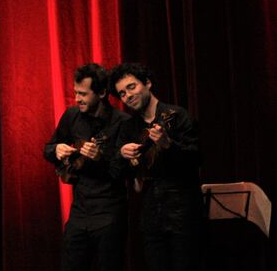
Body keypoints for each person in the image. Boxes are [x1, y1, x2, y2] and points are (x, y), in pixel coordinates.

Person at [109, 62, 202, 271]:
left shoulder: (177, 115)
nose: (128, 95)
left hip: (183, 215)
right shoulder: (128, 127)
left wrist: (168, 145)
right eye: (122, 93)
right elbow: (115, 173)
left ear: (148, 83)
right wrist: (121, 155)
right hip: (151, 217)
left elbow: (196, 158)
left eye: (131, 87)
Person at [43, 63, 130, 271]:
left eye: (83, 94)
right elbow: (47, 148)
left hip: (110, 213)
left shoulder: (122, 122)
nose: (77, 99)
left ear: (101, 93)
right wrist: (56, 150)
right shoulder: (72, 116)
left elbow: (125, 172)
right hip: (79, 212)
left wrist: (101, 158)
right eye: (75, 93)